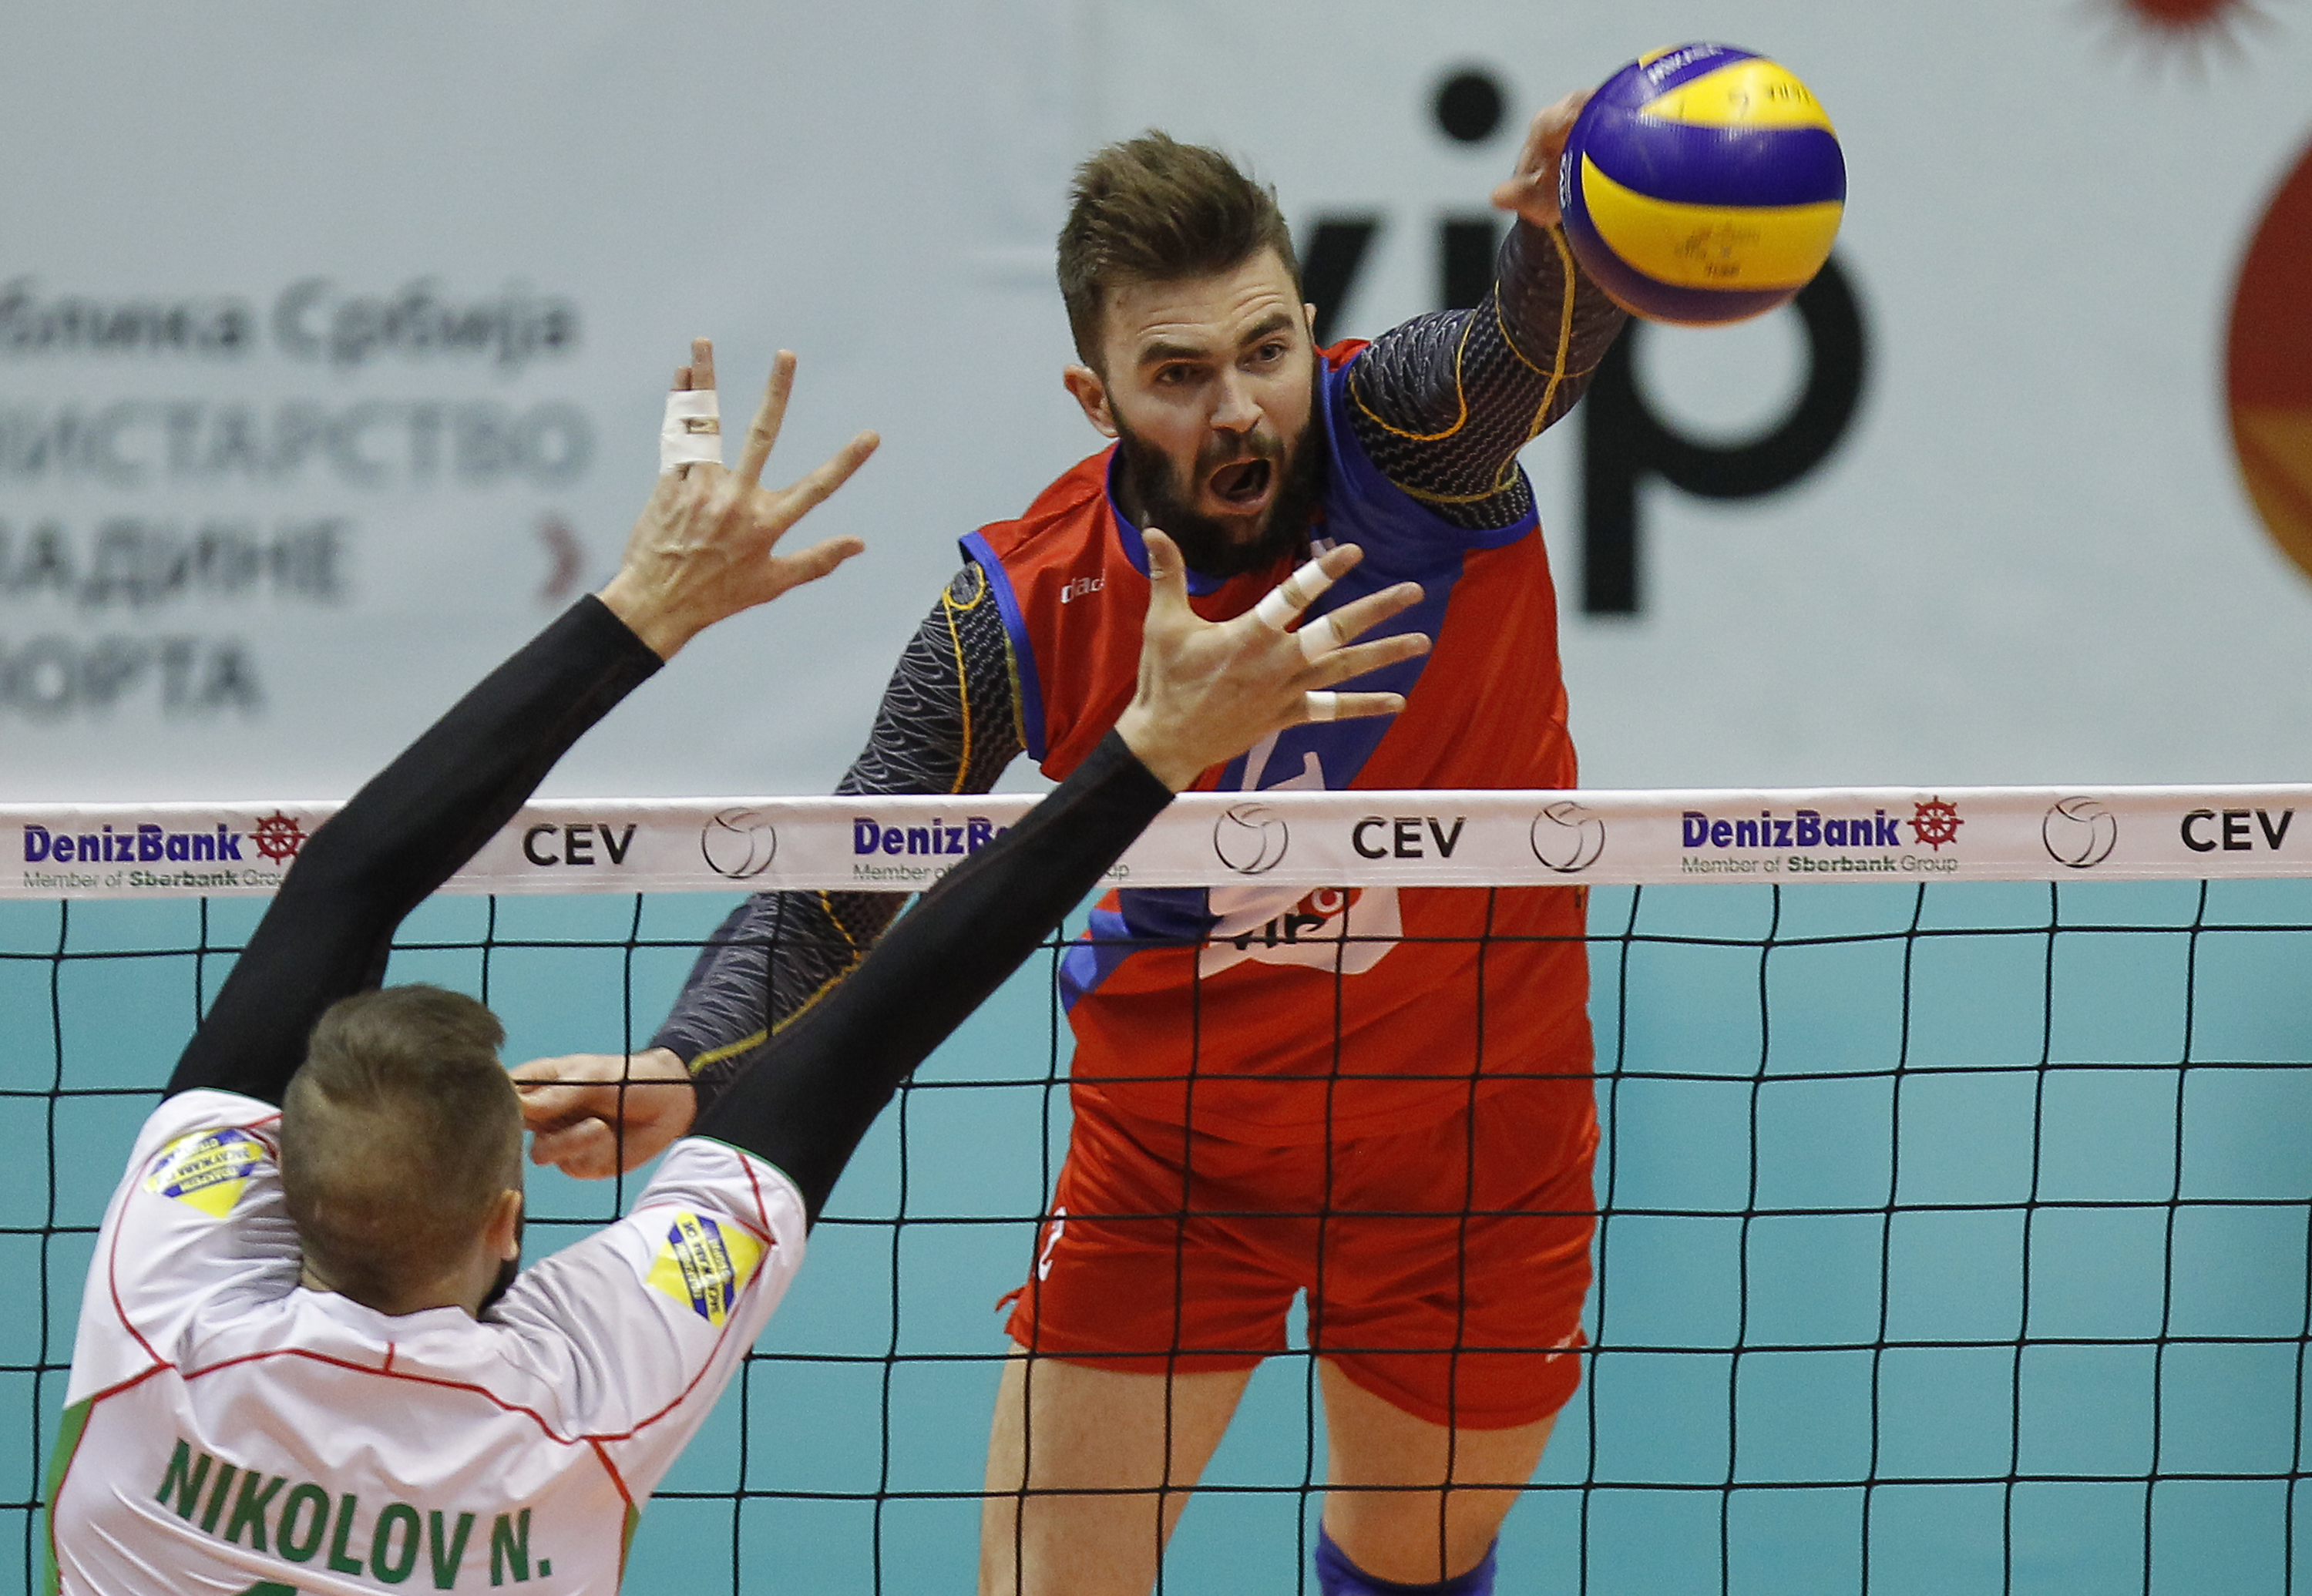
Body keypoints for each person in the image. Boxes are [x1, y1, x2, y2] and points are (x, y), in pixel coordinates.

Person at [44, 342, 1425, 1596]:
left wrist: (1140, 760)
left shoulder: (161, 1308)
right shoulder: (582, 1400)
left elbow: (346, 883)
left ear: (272, 1192)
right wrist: (1158, 752)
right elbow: (866, 1025)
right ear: (509, 1219)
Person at [520, 92, 1628, 1596]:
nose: (1236, 407)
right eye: (1176, 375)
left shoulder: (1413, 437)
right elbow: (844, 876)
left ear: (1310, 328)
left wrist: (1571, 250)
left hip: (1474, 1128)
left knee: (1410, 1563)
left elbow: (1524, 353)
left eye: (1264, 352)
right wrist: (685, 1053)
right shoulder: (1021, 607)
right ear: (1093, 397)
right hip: (1175, 1148)